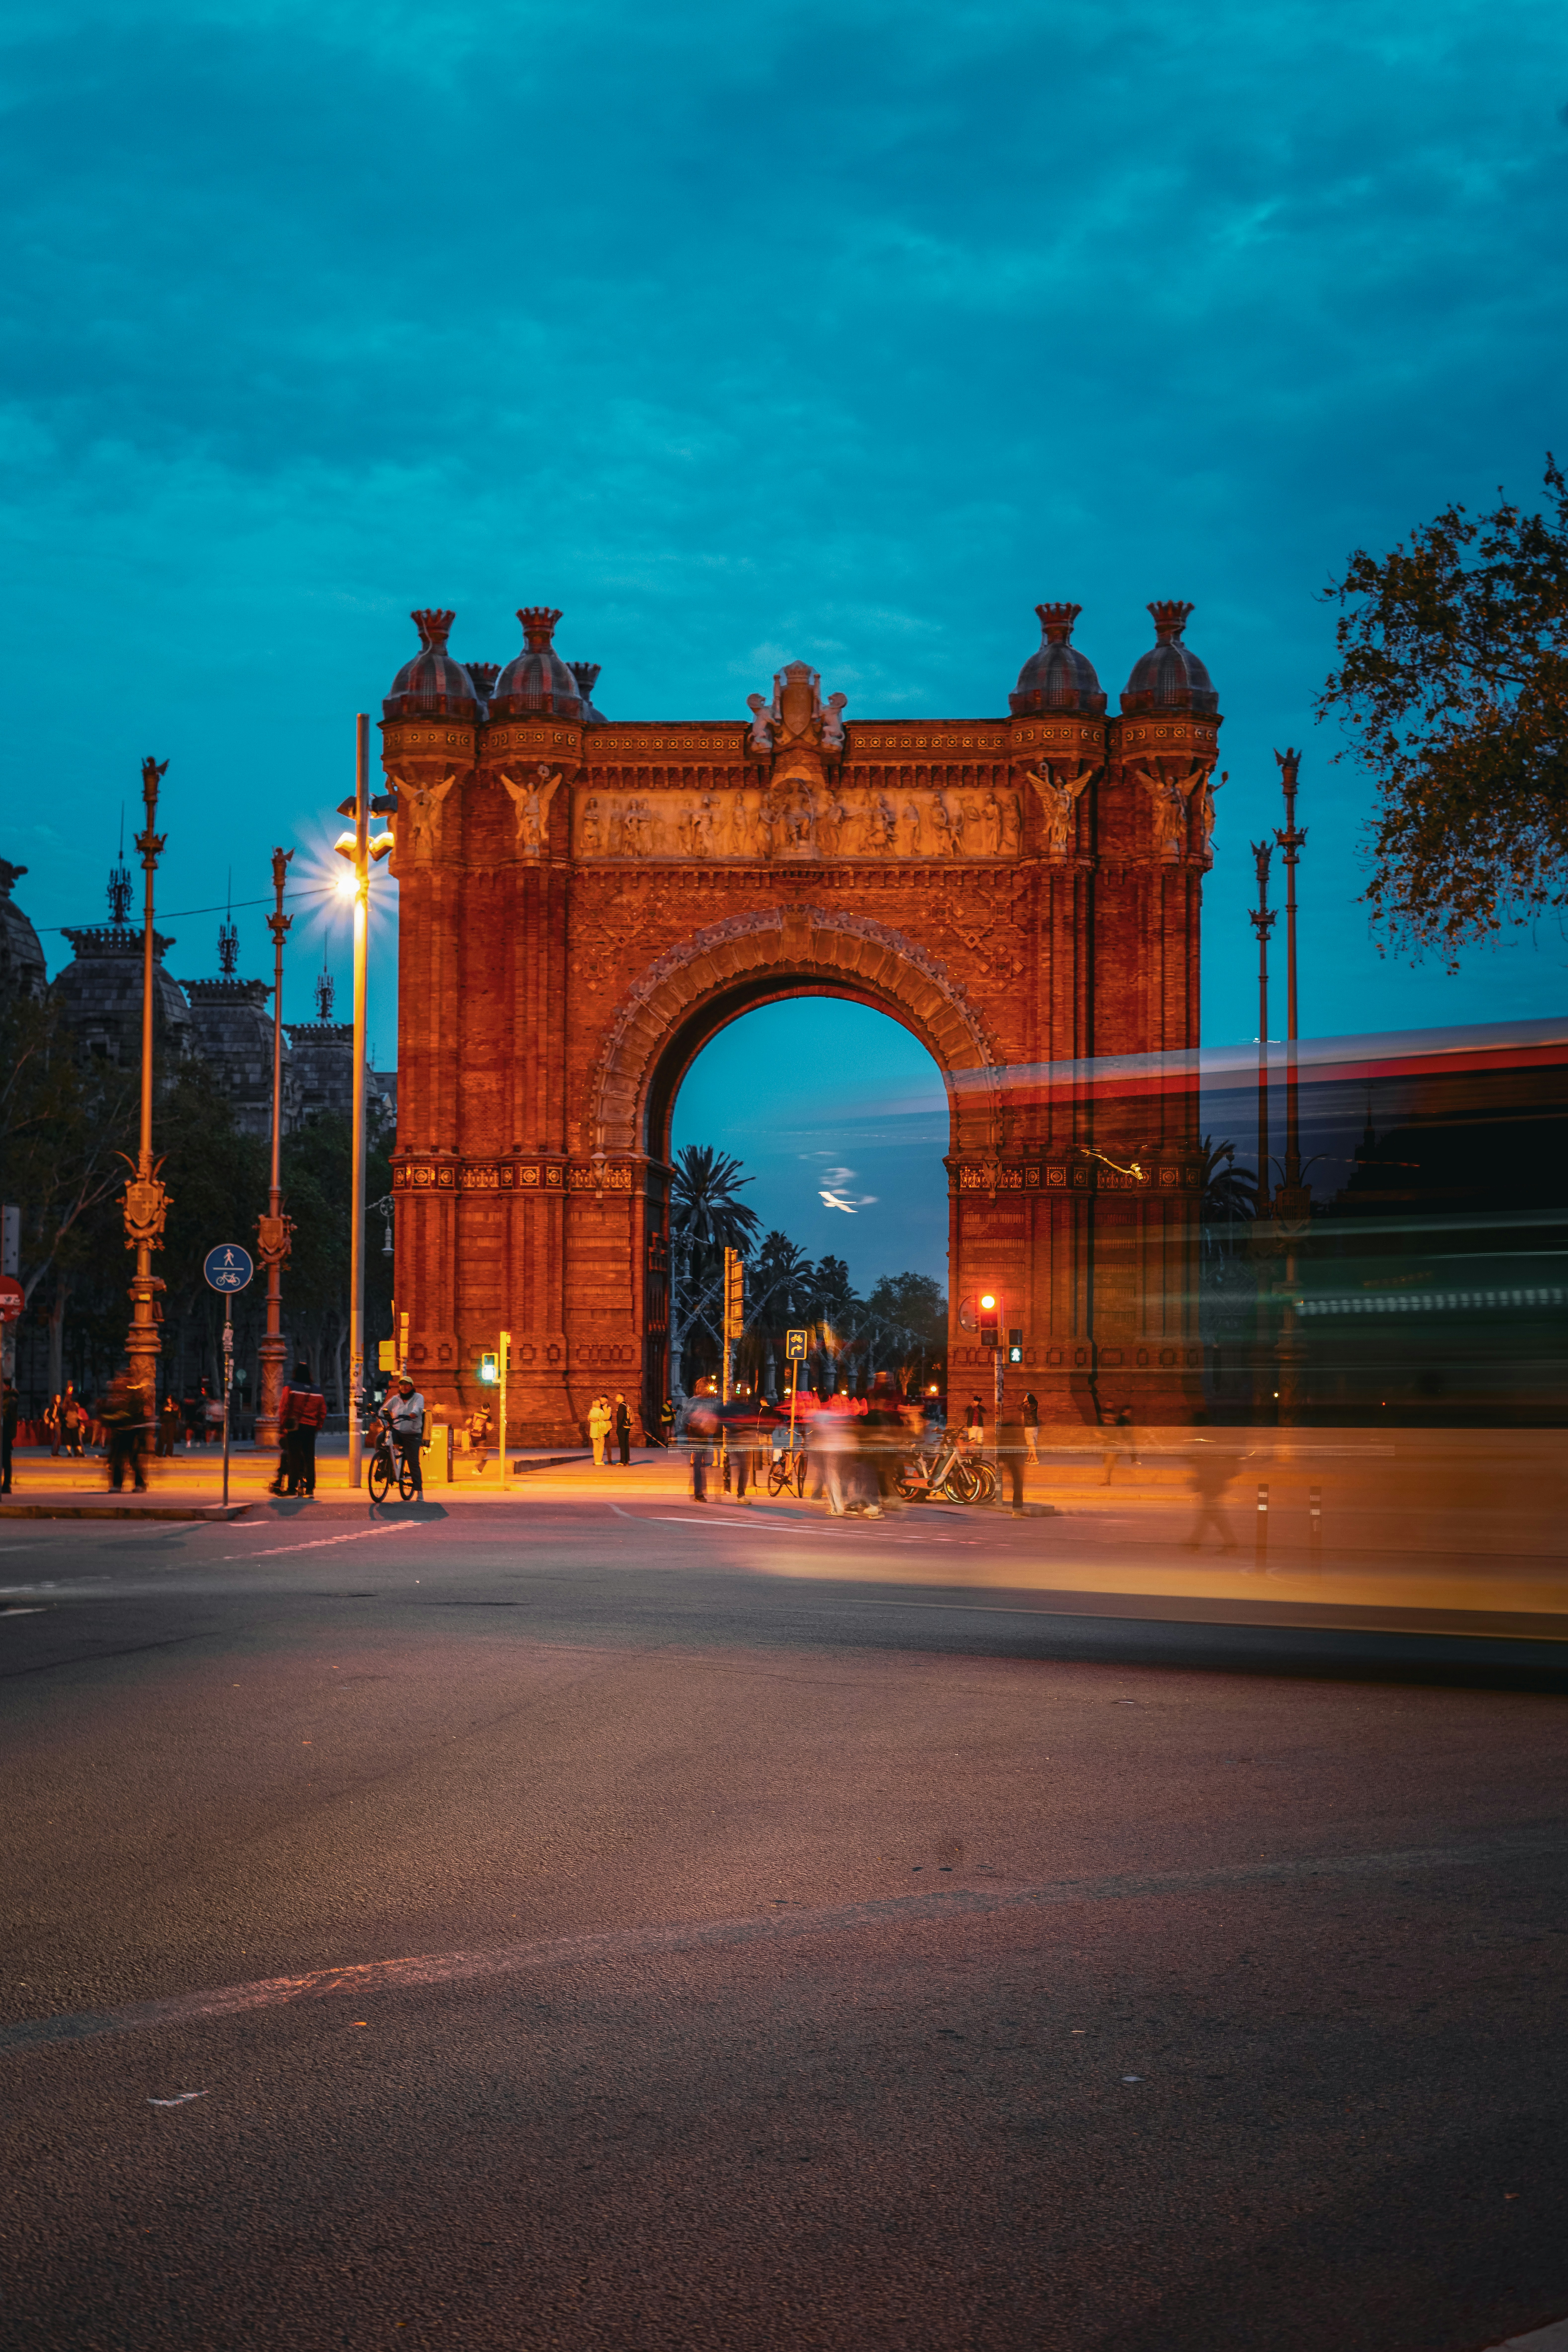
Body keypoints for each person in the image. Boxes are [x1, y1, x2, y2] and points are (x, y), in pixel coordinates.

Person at [1183, 1412, 1236, 1552]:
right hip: (1214, 1480)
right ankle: (1196, 1542)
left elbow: (1191, 1456)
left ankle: (1197, 1543)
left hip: (1211, 1480)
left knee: (1211, 1513)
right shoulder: (1213, 1436)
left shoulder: (1202, 1437)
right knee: (1210, 1513)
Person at [279, 1361, 325, 1499]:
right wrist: (318, 1426)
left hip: (295, 1428)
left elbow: (284, 1408)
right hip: (311, 1428)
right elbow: (322, 1411)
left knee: (294, 1458)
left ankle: (292, 1489)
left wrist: (283, 1427)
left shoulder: (290, 1387)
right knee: (309, 1458)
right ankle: (310, 1489)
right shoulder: (317, 1390)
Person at [101, 1369, 149, 1493]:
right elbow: (111, 1412)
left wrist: (118, 1416)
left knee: (134, 1459)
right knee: (118, 1460)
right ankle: (117, 1485)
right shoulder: (117, 1396)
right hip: (119, 1432)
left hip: (132, 1431)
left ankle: (141, 1484)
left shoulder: (136, 1396)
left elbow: (133, 1414)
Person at [383, 1375, 426, 1497]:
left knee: (413, 1462)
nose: (404, 1387)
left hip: (412, 1434)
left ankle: (419, 1491)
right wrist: (383, 1418)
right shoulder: (396, 1399)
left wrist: (413, 1414)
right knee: (381, 1439)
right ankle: (383, 1460)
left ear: (412, 1387)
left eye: (407, 1385)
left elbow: (419, 1408)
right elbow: (384, 1410)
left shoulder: (418, 1398)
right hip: (397, 1431)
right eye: (402, 1385)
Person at [995, 1395, 1027, 1516]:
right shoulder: (1008, 1427)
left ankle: (1018, 1509)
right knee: (1018, 1482)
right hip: (1012, 1458)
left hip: (1014, 1458)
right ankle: (1017, 1510)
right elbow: (1002, 1444)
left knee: (1018, 1483)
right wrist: (1002, 1459)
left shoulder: (1013, 1426)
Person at [467, 1401, 492, 1476]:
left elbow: (468, 1422)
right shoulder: (488, 1417)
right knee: (483, 1453)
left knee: (478, 1452)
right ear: (488, 1409)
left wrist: (469, 1429)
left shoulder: (475, 1414)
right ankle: (476, 1469)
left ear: (482, 1407)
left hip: (473, 1436)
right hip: (481, 1438)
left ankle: (476, 1464)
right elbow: (489, 1427)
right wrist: (490, 1429)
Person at [1, 1378, 16, 1495]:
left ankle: (6, 1485)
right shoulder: (6, 1399)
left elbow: (6, 1418)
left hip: (5, 1435)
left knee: (6, 1461)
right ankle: (6, 1485)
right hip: (4, 1434)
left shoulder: (10, 1400)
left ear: (6, 1387)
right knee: (5, 1461)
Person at [588, 1392, 612, 1467]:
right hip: (601, 1429)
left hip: (594, 1430)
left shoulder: (592, 1410)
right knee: (601, 1446)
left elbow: (589, 1418)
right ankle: (599, 1460)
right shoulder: (601, 1411)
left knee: (596, 1446)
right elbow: (606, 1417)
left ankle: (597, 1460)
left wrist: (593, 1419)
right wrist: (598, 1419)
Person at [155, 1394, 182, 1458]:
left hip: (172, 1424)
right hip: (164, 1424)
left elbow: (177, 1415)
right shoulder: (165, 1405)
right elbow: (161, 1412)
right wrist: (165, 1410)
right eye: (168, 1399)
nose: (169, 1400)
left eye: (170, 1399)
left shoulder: (176, 1406)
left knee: (170, 1439)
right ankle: (159, 1453)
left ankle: (169, 1453)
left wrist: (171, 1411)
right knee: (162, 1438)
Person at [613, 1392, 632, 1466]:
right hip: (628, 1427)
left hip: (622, 1428)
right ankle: (627, 1461)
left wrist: (618, 1428)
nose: (616, 1398)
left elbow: (621, 1418)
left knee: (622, 1445)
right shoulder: (626, 1405)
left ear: (622, 1398)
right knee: (626, 1444)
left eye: (617, 1397)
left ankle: (622, 1461)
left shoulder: (621, 1406)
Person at [1022, 1390, 1040, 1468]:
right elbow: (1034, 1401)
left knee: (1031, 1443)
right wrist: (1028, 1396)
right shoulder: (1036, 1404)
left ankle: (1036, 1460)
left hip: (1029, 1427)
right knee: (1032, 1443)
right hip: (1035, 1426)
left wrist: (1026, 1397)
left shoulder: (1026, 1406)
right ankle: (1028, 1459)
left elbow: (1022, 1405)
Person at [44, 1392, 63, 1458]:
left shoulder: (59, 1406)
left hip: (58, 1423)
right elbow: (49, 1414)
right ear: (55, 1399)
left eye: (60, 1398)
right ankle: (54, 1453)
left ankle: (56, 1452)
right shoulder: (54, 1406)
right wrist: (54, 1420)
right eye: (58, 1398)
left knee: (58, 1437)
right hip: (56, 1423)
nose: (59, 1399)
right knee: (57, 1437)